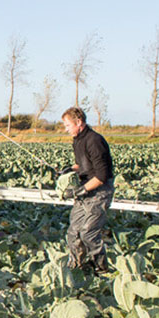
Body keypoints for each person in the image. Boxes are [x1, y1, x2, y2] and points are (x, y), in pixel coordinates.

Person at [59, 106, 114, 272]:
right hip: (85, 190)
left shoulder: (95, 141)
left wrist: (79, 191)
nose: (66, 129)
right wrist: (69, 170)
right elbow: (83, 164)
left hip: (99, 192)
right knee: (73, 232)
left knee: (88, 233)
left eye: (68, 125)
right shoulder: (78, 140)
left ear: (79, 122)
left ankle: (101, 267)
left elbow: (102, 175)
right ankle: (77, 266)